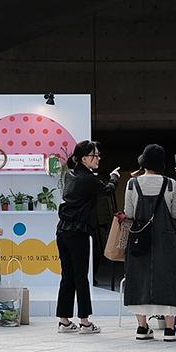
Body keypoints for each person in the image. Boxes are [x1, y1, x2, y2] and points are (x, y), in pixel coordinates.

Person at [56, 140, 120, 334]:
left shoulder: (71, 175)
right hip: (78, 233)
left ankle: (64, 321)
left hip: (63, 232)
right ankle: (85, 322)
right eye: (95, 155)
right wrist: (114, 177)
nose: (98, 158)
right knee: (81, 276)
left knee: (67, 276)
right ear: (84, 158)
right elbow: (108, 190)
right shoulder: (87, 179)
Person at [123, 144, 176, 342]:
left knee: (138, 277)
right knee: (167, 277)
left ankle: (142, 327)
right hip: (165, 237)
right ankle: (170, 330)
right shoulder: (171, 184)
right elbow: (175, 214)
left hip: (140, 237)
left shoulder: (132, 184)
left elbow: (130, 214)